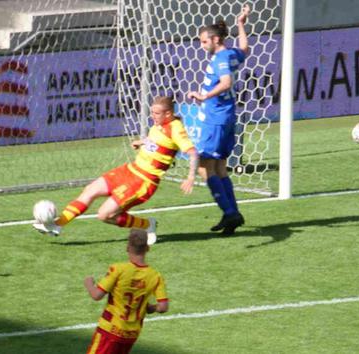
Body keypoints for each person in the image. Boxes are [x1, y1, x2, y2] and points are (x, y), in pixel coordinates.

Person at [33, 96, 198, 245]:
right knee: (91, 190)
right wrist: (141, 142)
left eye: (157, 113)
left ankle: (148, 225)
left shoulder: (175, 128)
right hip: (130, 170)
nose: (152, 116)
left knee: (105, 215)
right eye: (152, 112)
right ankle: (58, 225)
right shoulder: (158, 124)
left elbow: (192, 152)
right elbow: (156, 140)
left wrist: (190, 177)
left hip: (144, 181)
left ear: (168, 114)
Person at [186, 4, 250, 235]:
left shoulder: (221, 57)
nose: (201, 45)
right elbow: (245, 49)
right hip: (226, 116)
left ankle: (230, 212)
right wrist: (240, 24)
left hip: (215, 118)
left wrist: (204, 96)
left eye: (203, 41)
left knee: (204, 167)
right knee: (220, 167)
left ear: (214, 39)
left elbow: (226, 83)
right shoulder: (231, 54)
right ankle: (231, 212)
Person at [84, 229, 168, 354]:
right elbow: (163, 307)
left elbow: (96, 295)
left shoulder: (118, 269)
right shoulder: (155, 276)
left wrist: (89, 284)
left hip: (109, 330)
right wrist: (152, 308)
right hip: (131, 335)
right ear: (147, 248)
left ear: (127, 247)